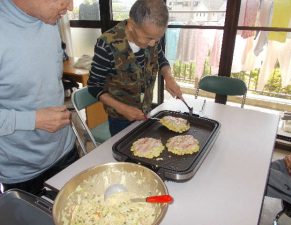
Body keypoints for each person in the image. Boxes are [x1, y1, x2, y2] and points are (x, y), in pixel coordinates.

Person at [0, 0, 78, 195]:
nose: (70, 7)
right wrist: (34, 120)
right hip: (23, 171)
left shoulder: (49, 19)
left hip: (65, 150)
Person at [87, 0, 182, 136]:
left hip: (146, 110)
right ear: (131, 25)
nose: (153, 43)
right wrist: (122, 108)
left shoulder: (152, 36)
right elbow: (94, 86)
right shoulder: (107, 44)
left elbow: (161, 59)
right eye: (149, 38)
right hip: (120, 118)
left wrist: (169, 77)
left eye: (158, 38)